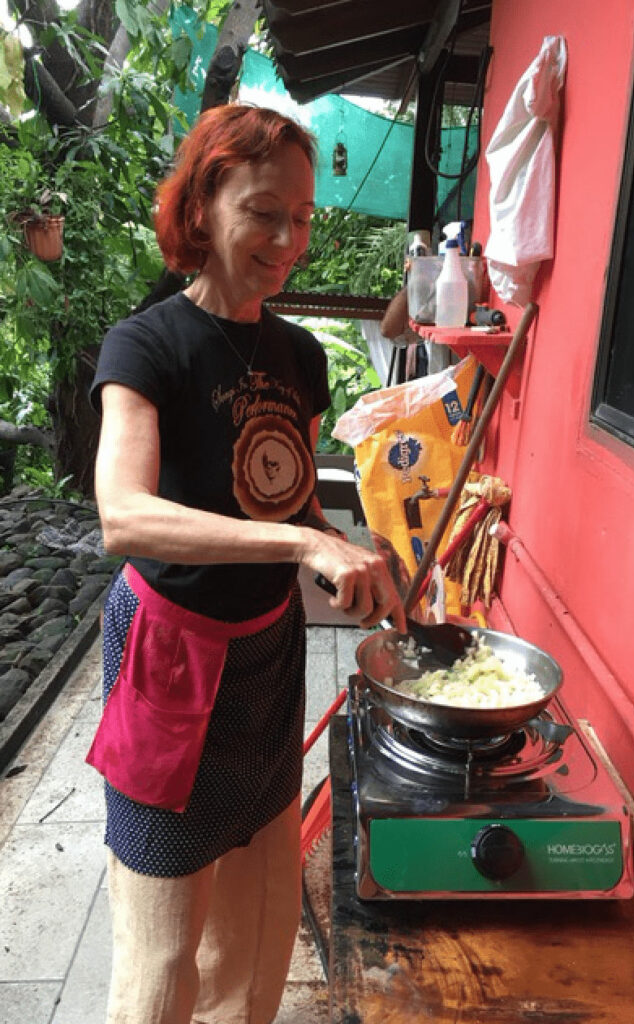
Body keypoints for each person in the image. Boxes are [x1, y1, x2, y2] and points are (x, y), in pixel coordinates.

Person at [86, 103, 406, 1024]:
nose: (287, 239)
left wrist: (353, 546)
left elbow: (286, 496)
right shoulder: (144, 347)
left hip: (266, 659)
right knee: (160, 955)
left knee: (256, 938)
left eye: (302, 218)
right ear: (203, 205)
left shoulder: (300, 356)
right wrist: (306, 542)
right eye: (264, 211)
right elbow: (125, 516)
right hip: (170, 658)